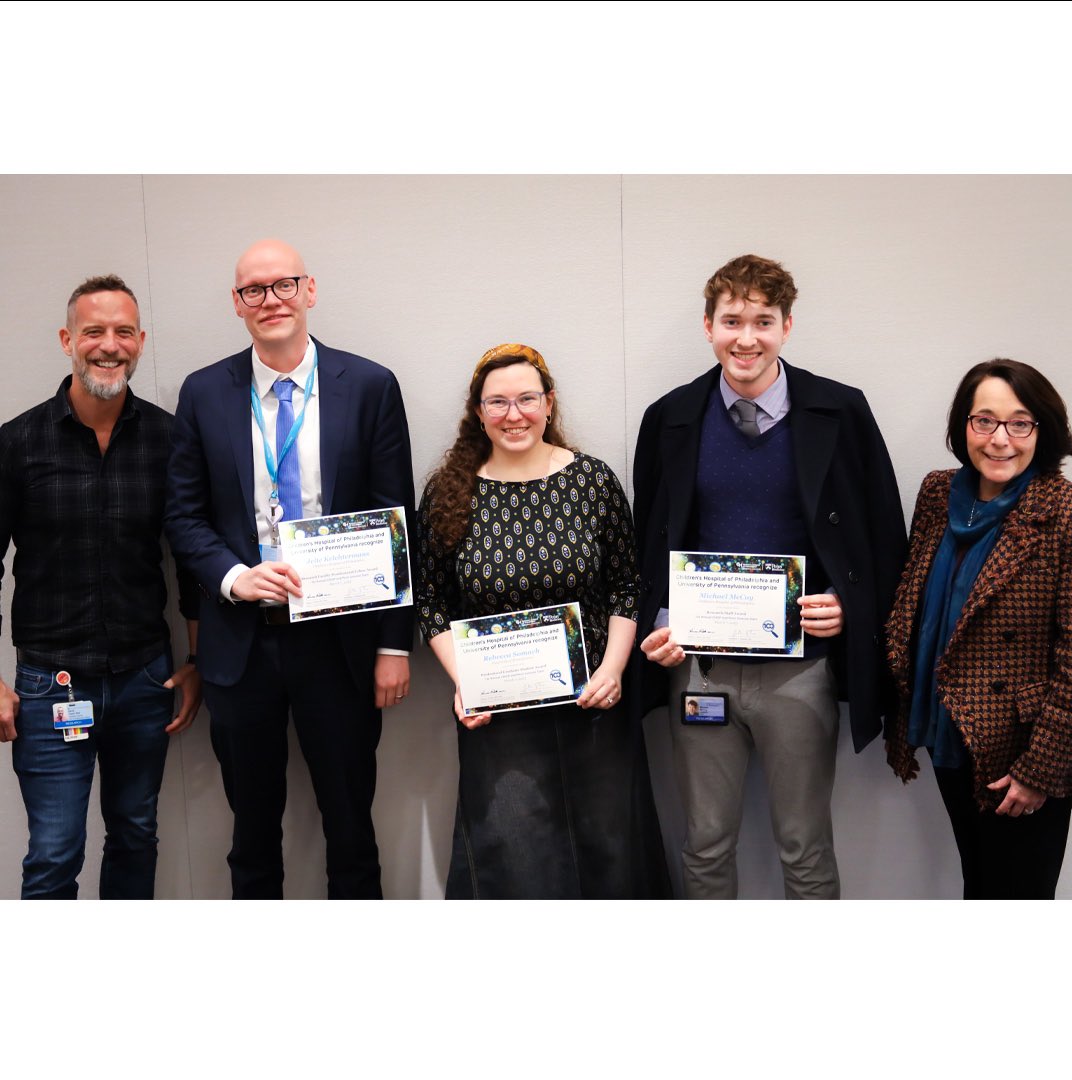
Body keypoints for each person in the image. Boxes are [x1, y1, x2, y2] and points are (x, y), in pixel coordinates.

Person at [633, 254, 907, 899]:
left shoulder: (841, 410)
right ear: (708, 327)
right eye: (732, 321)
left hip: (801, 670)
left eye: (763, 320)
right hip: (699, 670)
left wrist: (848, 603)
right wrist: (662, 621)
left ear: (787, 326)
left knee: (804, 846)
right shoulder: (669, 417)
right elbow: (653, 544)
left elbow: (882, 537)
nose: (746, 338)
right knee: (704, 844)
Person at [164, 239, 415, 899]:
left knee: (351, 824)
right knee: (250, 831)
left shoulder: (368, 386)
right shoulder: (203, 393)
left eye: (283, 285)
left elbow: (397, 517)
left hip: (341, 641)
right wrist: (232, 576)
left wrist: (394, 643)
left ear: (309, 289)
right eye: (254, 289)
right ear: (237, 304)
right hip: (240, 643)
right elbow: (183, 517)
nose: (269, 300)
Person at [417, 343, 669, 899]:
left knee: (610, 850)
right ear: (478, 411)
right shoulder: (447, 492)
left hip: (595, 705)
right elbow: (431, 601)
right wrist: (466, 683)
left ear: (549, 404)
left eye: (527, 399)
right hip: (499, 715)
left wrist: (613, 670)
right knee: (515, 856)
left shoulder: (592, 482)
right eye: (498, 402)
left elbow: (627, 584)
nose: (514, 414)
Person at [0, 274, 201, 900]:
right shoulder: (17, 443)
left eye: (122, 332)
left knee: (136, 836)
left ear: (140, 342)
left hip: (145, 680)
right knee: (55, 854)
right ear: (68, 339)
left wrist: (195, 658)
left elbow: (191, 561)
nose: (107, 345)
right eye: (93, 331)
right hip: (49, 684)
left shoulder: (171, 441)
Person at [885, 359, 1072, 899]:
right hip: (951, 730)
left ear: (1044, 431)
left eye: (1020, 423)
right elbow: (914, 602)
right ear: (962, 426)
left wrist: (1038, 769)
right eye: (984, 421)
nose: (1000, 439)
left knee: (1018, 899)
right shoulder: (937, 493)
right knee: (981, 886)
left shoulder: (1067, 512)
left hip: (1021, 749)